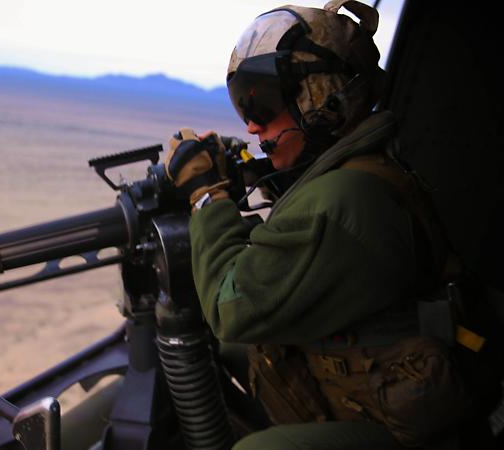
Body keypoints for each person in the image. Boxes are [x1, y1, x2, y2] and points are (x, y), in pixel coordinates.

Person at [164, 1, 483, 449]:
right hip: (385, 371)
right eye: (242, 106)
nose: (252, 126)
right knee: (240, 350)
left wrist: (206, 196)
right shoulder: (360, 166)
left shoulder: (341, 202)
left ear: (324, 101)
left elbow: (228, 309)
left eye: (262, 104)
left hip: (412, 419)